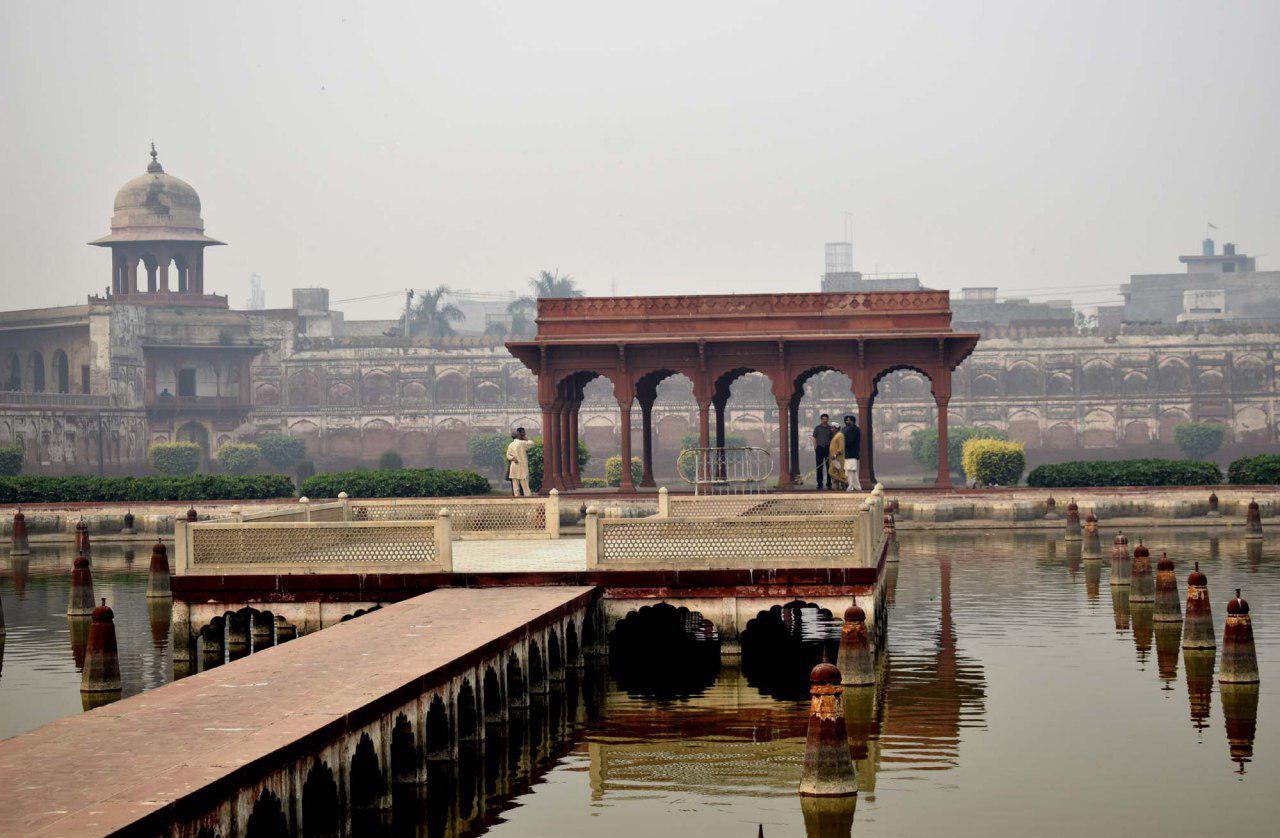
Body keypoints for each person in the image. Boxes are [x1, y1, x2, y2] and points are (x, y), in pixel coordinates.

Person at [505, 427, 532, 497]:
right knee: (525, 485)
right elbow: (531, 444)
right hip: (522, 467)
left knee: (515, 487)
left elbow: (508, 455)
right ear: (519, 435)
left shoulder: (510, 445)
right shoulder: (521, 443)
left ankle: (517, 499)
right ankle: (528, 499)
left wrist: (512, 458)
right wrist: (525, 438)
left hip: (514, 466)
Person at [812, 414, 835, 489]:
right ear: (821, 419)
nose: (825, 420)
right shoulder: (817, 428)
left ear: (827, 419)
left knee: (829, 466)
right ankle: (819, 483)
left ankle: (829, 483)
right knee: (819, 466)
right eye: (823, 419)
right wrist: (815, 447)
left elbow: (832, 439)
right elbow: (814, 437)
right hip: (819, 448)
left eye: (826, 419)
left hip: (828, 448)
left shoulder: (830, 428)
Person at [842, 415, 862, 491]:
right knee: (850, 470)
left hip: (852, 452)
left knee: (850, 470)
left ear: (852, 421)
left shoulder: (854, 429)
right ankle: (857, 487)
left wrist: (842, 444)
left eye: (848, 420)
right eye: (846, 420)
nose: (847, 421)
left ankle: (850, 487)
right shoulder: (845, 429)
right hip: (847, 453)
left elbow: (850, 440)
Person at [828, 425, 848, 490]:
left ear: (836, 428)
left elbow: (841, 448)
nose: (831, 429)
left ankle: (845, 482)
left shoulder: (840, 435)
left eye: (832, 428)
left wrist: (835, 455)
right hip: (833, 458)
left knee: (831, 472)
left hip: (837, 458)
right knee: (838, 472)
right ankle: (840, 487)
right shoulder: (836, 435)